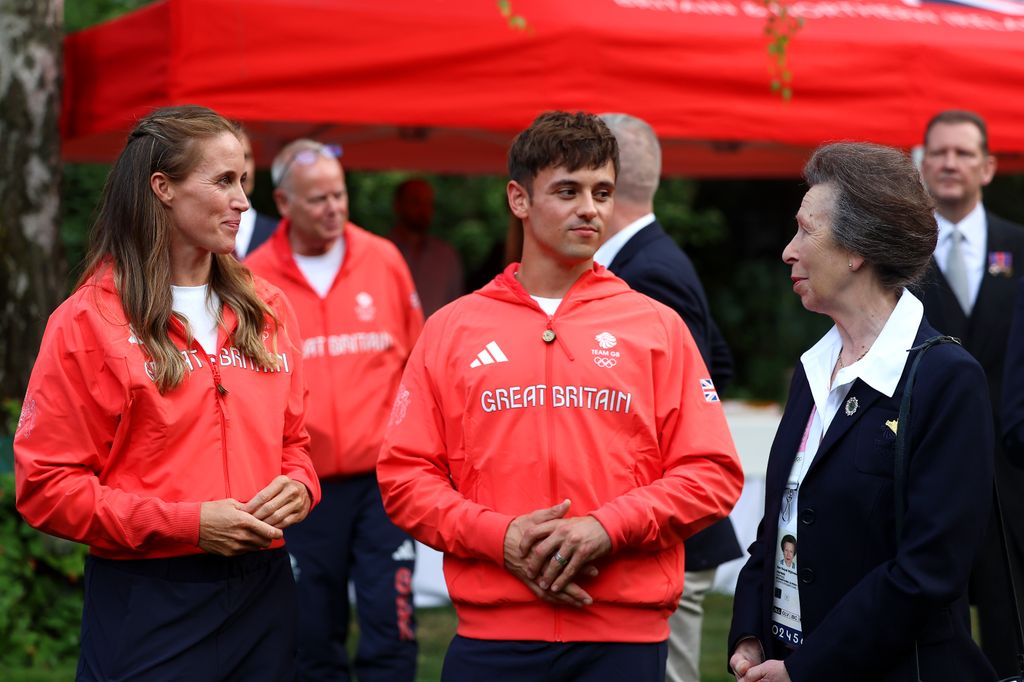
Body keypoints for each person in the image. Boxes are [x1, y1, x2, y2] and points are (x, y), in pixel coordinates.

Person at [377, 110, 744, 682]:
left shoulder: (656, 326)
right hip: (493, 639)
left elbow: (712, 472)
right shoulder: (452, 328)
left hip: (623, 639)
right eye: (567, 191)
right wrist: (501, 538)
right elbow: (405, 479)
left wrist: (607, 528)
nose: (590, 209)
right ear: (518, 199)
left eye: (602, 192)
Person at [13, 104, 320, 680]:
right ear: (163, 188)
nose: (243, 202)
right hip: (150, 600)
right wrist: (188, 524)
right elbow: (46, 487)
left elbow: (295, 444)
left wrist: (301, 487)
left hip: (265, 591)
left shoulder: (268, 307)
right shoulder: (88, 321)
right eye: (224, 181)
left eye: (244, 182)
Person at [729, 142, 996, 682]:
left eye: (807, 230)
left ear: (857, 249)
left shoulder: (948, 380)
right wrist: (751, 634)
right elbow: (779, 520)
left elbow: (928, 571)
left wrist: (808, 668)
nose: (788, 250)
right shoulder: (813, 369)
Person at [245, 139, 424, 682]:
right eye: (318, 198)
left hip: (381, 483)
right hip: (301, 486)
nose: (334, 208)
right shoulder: (252, 277)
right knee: (310, 630)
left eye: (340, 194)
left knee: (390, 624)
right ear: (284, 201)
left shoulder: (384, 258)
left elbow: (417, 363)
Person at [596, 112, 741, 682]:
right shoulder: (648, 259)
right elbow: (719, 362)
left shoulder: (648, 271)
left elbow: (691, 389)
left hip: (667, 534)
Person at [916, 109, 1024, 677]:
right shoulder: (898, 257)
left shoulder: (1020, 247)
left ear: (988, 166)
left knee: (1015, 634)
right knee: (938, 632)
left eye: (962, 153)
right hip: (930, 472)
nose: (949, 163)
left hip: (1014, 483)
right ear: (922, 163)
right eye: (939, 152)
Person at [388, 178, 464, 316]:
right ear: (397, 205)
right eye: (415, 201)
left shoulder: (446, 256)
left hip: (437, 335)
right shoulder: (382, 252)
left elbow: (457, 306)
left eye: (428, 203)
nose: (423, 209)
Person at [234, 126, 280, 258]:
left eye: (246, 157)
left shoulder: (278, 234)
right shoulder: (197, 236)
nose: (243, 168)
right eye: (231, 158)